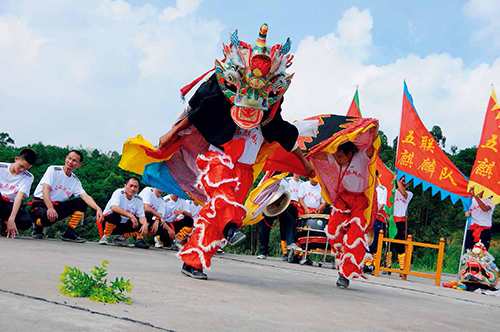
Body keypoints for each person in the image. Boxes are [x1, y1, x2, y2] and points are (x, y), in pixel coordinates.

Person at [157, 25, 315, 280]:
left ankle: (193, 260)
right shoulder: (221, 106)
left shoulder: (269, 118)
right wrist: (171, 133)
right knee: (223, 202)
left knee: (214, 217)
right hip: (219, 160)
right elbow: (195, 116)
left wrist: (305, 164)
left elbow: (288, 138)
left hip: (245, 170)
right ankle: (231, 227)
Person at [325, 125, 378, 288]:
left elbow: (373, 147)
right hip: (343, 198)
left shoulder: (361, 157)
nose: (337, 159)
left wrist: (374, 132)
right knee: (333, 230)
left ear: (349, 154)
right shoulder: (336, 158)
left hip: (360, 201)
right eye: (336, 156)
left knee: (354, 238)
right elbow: (318, 155)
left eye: (340, 156)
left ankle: (345, 274)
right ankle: (340, 260)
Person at [30, 150, 103, 243]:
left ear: (79, 164)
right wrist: (50, 208)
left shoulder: (75, 181)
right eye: (69, 158)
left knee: (81, 202)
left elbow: (85, 196)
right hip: (40, 204)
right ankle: (38, 226)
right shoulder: (53, 170)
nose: (70, 162)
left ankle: (69, 233)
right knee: (48, 217)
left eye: (74, 161)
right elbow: (45, 189)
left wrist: (98, 208)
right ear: (66, 158)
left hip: (57, 207)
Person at [98, 177, 149, 249]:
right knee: (115, 215)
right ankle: (105, 237)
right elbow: (114, 207)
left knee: (145, 219)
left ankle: (121, 238)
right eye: (130, 186)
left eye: (135, 187)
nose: (132, 189)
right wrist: (131, 216)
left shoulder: (139, 199)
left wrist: (144, 224)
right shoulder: (119, 192)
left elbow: (141, 216)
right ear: (125, 186)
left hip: (123, 225)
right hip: (108, 222)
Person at [257, 175, 300, 261]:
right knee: (265, 228)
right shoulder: (267, 177)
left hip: (278, 206)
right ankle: (263, 252)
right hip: (268, 206)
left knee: (289, 220)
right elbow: (259, 190)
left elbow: (286, 194)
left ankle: (290, 242)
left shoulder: (285, 181)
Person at [0, 148, 37, 238]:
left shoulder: (28, 177)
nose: (22, 170)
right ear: (16, 159)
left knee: (26, 222)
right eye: (21, 166)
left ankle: (4, 223)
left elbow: (18, 197)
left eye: (26, 168)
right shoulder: (1, 167)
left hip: (10, 205)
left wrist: (12, 219)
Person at [364, 170, 388, 273]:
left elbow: (381, 205)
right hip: (366, 219)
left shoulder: (382, 189)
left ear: (377, 176)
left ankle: (374, 264)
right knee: (365, 241)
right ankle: (367, 263)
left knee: (374, 241)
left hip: (376, 219)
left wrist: (372, 215)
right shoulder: (366, 188)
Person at [392, 173, 413, 271]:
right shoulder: (392, 192)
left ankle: (402, 267)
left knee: (399, 244)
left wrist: (397, 180)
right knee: (388, 244)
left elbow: (403, 193)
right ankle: (387, 266)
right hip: (392, 220)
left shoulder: (409, 194)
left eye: (405, 181)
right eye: (402, 180)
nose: (402, 182)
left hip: (400, 221)